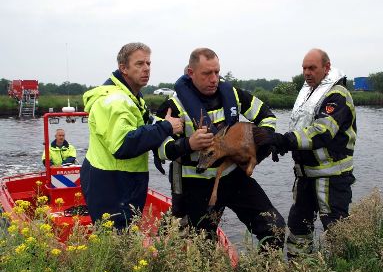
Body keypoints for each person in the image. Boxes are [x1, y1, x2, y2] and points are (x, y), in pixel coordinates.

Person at [155, 48, 285, 250]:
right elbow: (159, 150)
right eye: (207, 73)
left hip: (233, 176)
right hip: (195, 185)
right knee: (203, 247)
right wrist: (189, 144)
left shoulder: (231, 94)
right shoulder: (173, 106)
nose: (214, 79)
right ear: (191, 73)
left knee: (274, 228)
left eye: (217, 72)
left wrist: (259, 144)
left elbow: (267, 116)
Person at [80, 42, 183, 229]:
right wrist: (166, 127)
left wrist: (162, 126)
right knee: (116, 241)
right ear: (123, 68)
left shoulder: (132, 96)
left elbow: (141, 126)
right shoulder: (115, 101)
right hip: (111, 182)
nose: (146, 69)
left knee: (123, 235)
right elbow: (123, 145)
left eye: (148, 64)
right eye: (139, 64)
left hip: (121, 178)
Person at [270, 48, 357, 257]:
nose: (307, 72)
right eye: (304, 68)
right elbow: (301, 130)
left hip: (332, 179)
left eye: (312, 68)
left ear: (327, 68)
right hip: (305, 177)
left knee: (337, 230)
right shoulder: (308, 94)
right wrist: (277, 144)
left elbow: (322, 132)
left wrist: (287, 140)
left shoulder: (337, 95)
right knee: (298, 228)